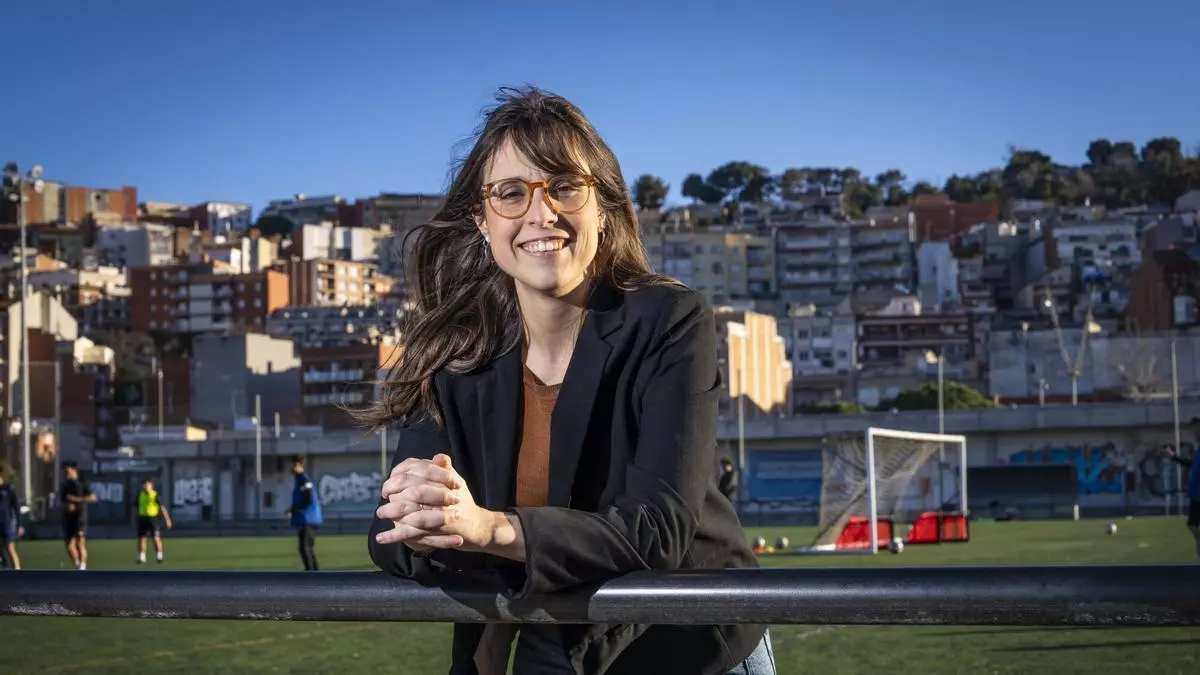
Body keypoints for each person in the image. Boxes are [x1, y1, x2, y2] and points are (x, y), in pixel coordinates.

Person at [366, 87, 773, 675]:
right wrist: (419, 519)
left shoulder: (670, 321)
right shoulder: (455, 351)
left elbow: (656, 529)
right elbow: (390, 535)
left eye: (564, 186)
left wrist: (489, 528)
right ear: (482, 220)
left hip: (684, 644)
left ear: (602, 208)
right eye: (511, 193)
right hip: (550, 637)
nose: (541, 214)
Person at [1165, 443, 1200, 561]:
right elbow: (1190, 463)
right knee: (1192, 525)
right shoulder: (1198, 452)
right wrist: (1173, 456)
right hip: (1195, 495)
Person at [286, 456, 322, 571]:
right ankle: (315, 573)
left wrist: (294, 509)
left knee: (304, 548)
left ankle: (310, 574)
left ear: (300, 466)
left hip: (308, 519)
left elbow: (308, 499)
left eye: (294, 465)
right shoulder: (300, 480)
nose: (292, 467)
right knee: (307, 548)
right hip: (307, 519)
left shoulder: (303, 480)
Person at [60, 462, 97, 570]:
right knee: (69, 545)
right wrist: (67, 506)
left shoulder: (82, 483)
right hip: (68, 517)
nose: (66, 474)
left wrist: (77, 500)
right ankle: (77, 565)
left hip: (80, 516)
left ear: (74, 470)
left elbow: (93, 497)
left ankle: (83, 566)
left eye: (68, 471)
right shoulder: (65, 485)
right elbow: (62, 501)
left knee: (80, 542)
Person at [135, 477, 173, 564]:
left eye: (148, 484)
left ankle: (159, 555)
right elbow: (136, 507)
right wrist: (135, 518)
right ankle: (142, 556)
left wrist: (167, 520)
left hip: (153, 519)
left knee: (156, 538)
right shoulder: (140, 495)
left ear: (151, 485)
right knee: (142, 538)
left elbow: (162, 508)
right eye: (144, 484)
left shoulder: (155, 495)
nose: (146, 486)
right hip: (143, 518)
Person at [0, 471, 23, 570]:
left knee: (10, 547)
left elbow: (16, 506)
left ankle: (17, 570)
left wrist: (19, 524)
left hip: (7, 522)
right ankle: (4, 566)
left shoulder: (8, 488)